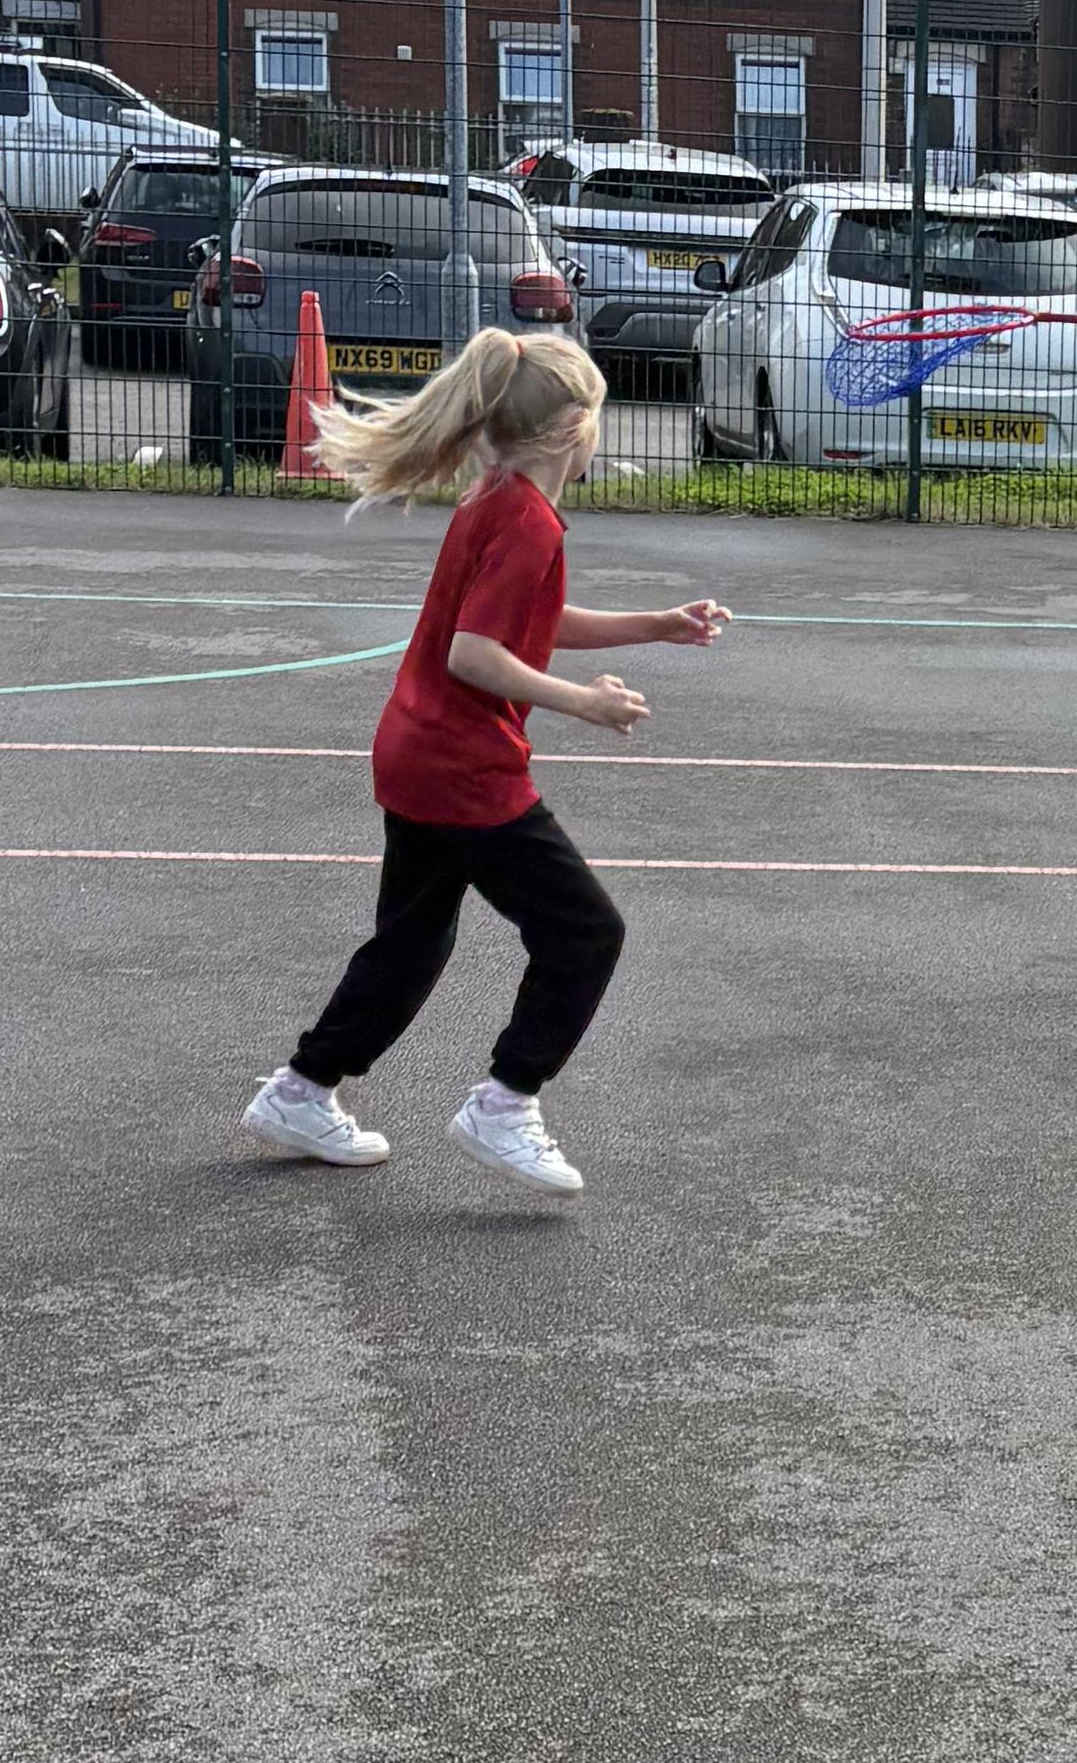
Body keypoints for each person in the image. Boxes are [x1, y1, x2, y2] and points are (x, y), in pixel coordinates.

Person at [242, 325, 725, 1199]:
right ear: (572, 430)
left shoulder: (495, 499)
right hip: (464, 771)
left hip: (415, 752)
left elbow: (525, 620)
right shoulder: (527, 520)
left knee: (411, 943)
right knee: (586, 932)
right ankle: (505, 1104)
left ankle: (300, 1092)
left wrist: (655, 625)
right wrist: (584, 702)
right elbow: (475, 653)